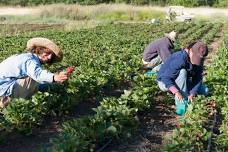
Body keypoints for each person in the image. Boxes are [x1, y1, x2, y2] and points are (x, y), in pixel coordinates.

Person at [0, 37, 68, 108]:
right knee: (32, 78)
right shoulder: (30, 60)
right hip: (4, 90)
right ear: (39, 49)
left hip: (6, 87)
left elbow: (37, 83)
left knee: (35, 80)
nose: (50, 57)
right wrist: (54, 77)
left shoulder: (27, 57)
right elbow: (37, 75)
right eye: (48, 53)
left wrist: (51, 85)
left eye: (52, 56)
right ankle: (6, 102)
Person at [156, 41, 209, 115]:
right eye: (195, 57)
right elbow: (165, 78)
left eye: (199, 59)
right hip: (164, 82)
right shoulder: (180, 58)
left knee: (205, 90)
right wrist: (176, 92)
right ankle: (181, 103)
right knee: (183, 72)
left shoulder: (199, 61)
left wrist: (193, 93)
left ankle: (187, 95)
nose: (197, 61)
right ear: (190, 50)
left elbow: (198, 78)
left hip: (182, 80)